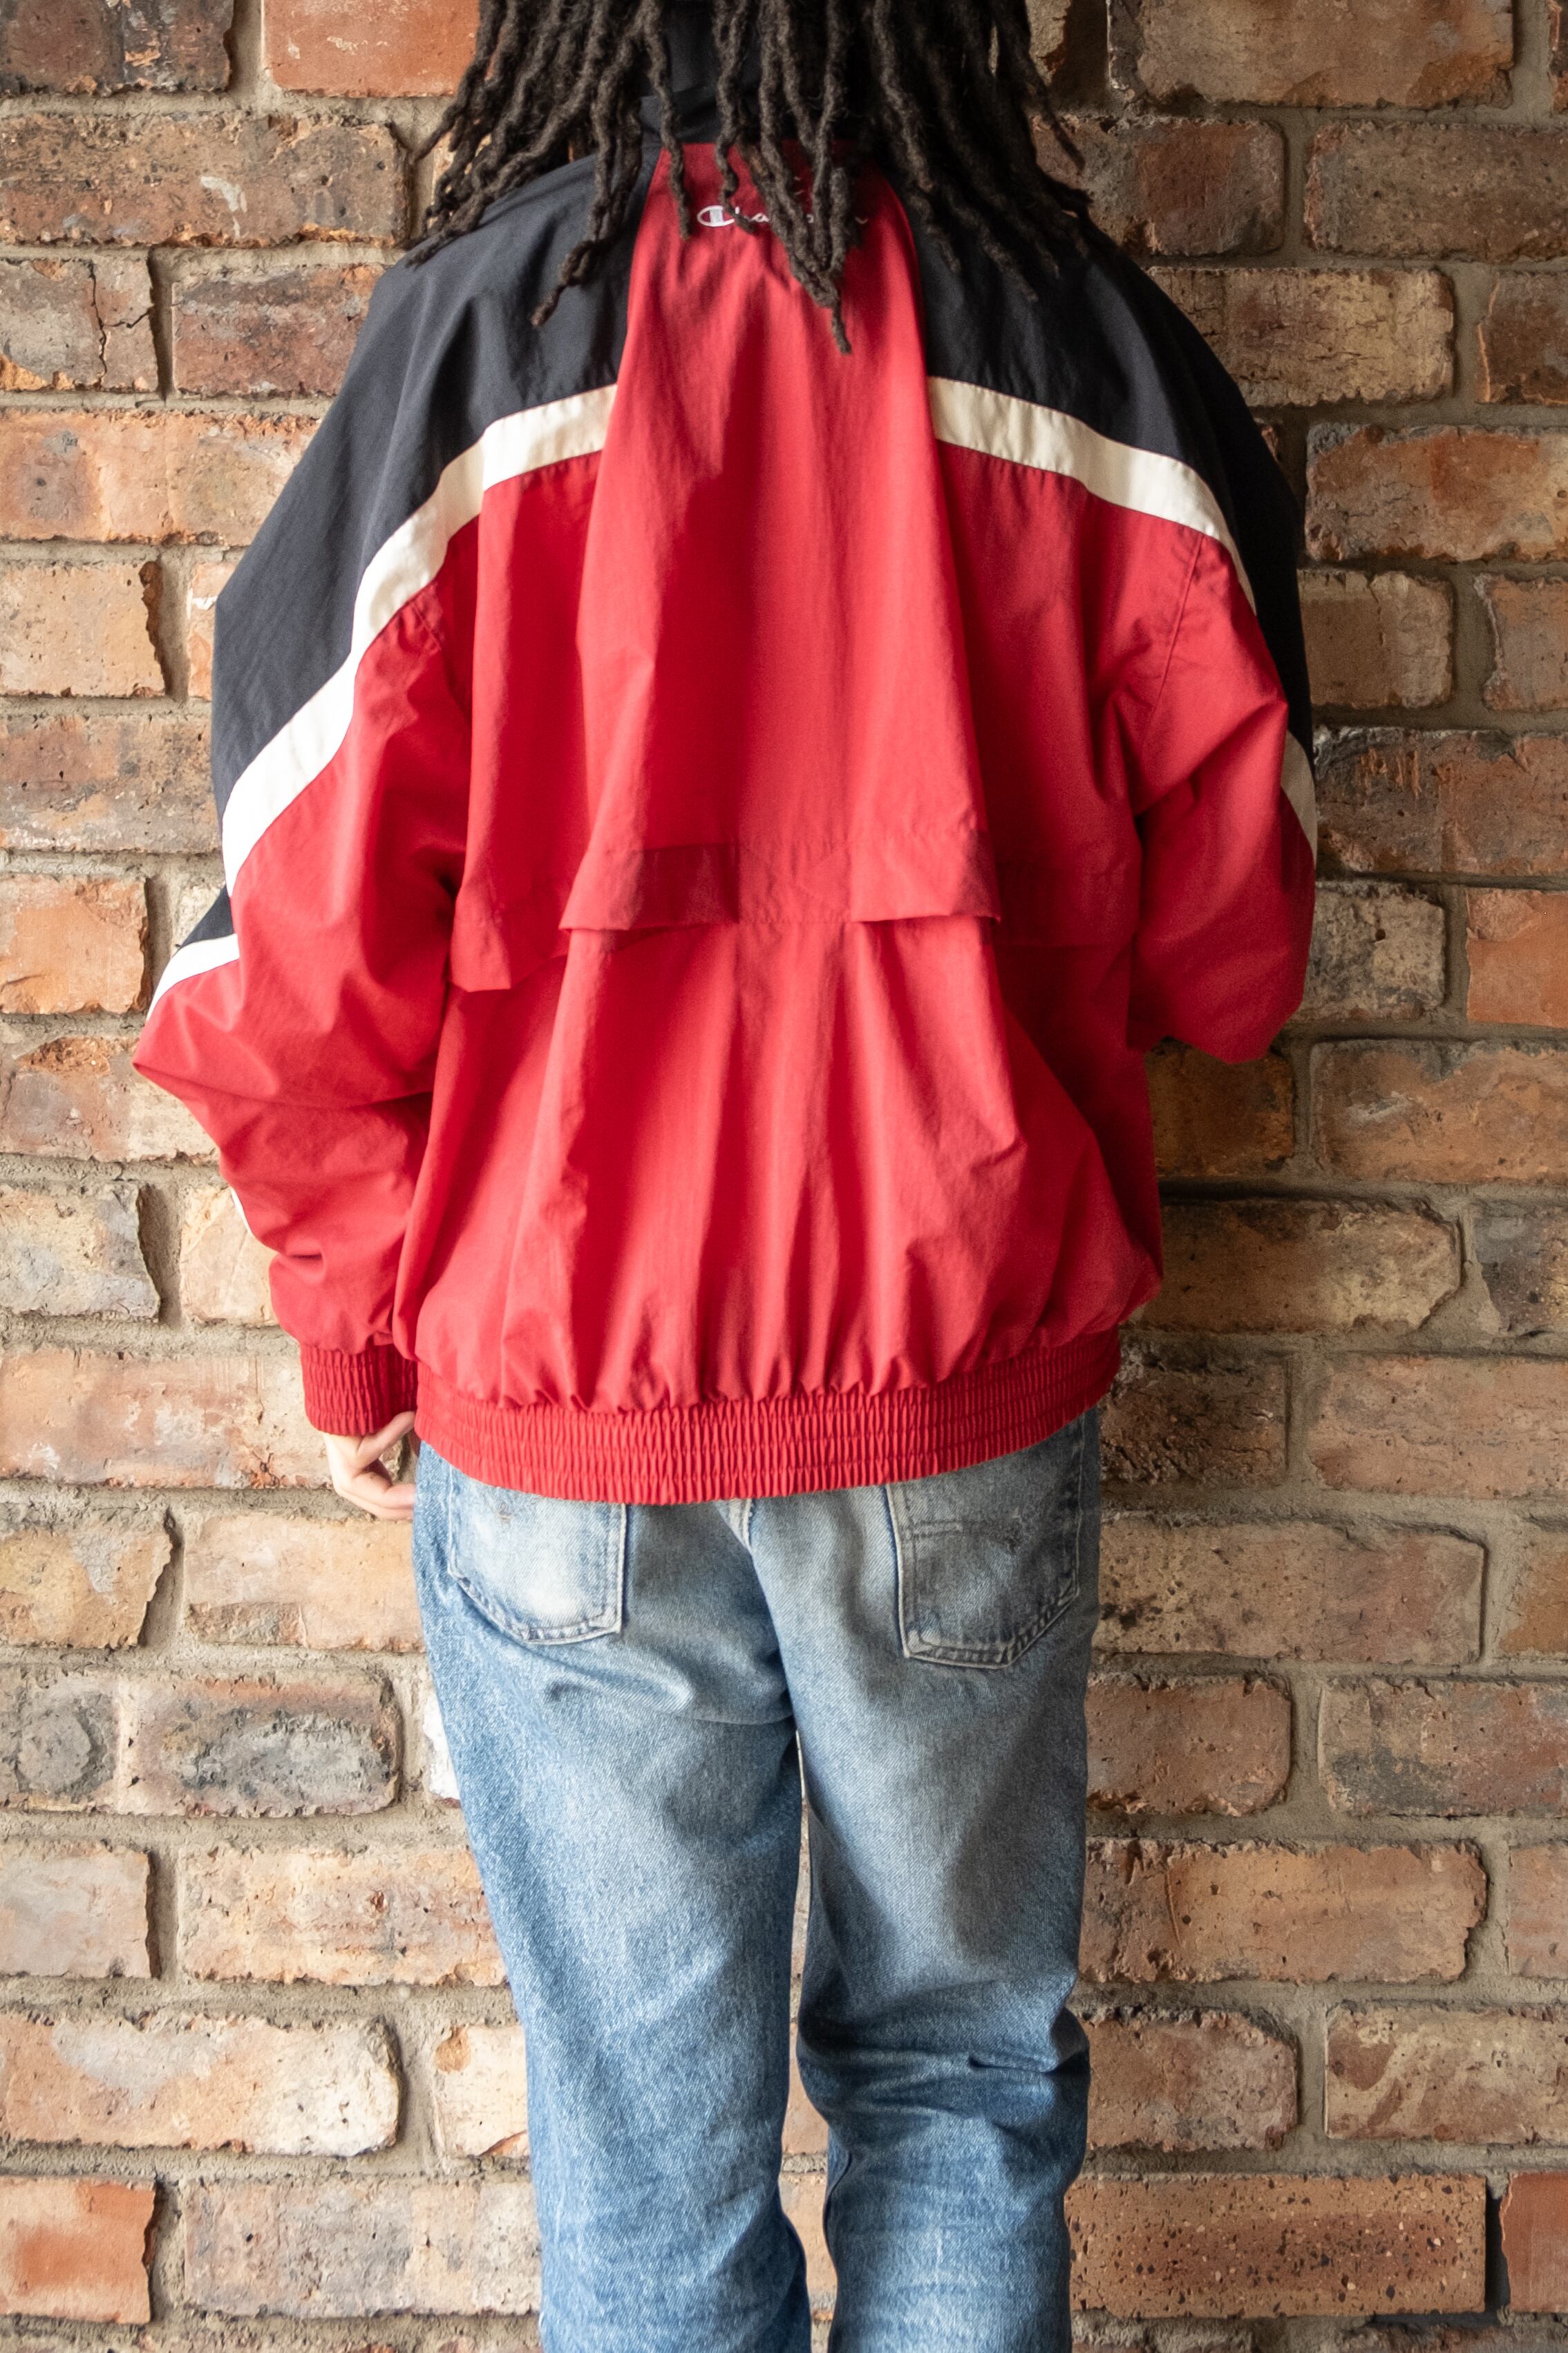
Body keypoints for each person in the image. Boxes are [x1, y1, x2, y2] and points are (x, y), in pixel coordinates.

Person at [131, 2, 1316, 2345]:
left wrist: (351, 1322)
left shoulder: (478, 344)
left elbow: (291, 931)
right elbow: (1240, 932)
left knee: (644, 2160)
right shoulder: (1074, 339)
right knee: (959, 2084)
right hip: (954, 1374)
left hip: (566, 1397)